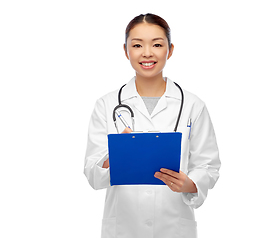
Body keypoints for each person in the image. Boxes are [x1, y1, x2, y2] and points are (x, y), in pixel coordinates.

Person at [84, 13, 221, 238]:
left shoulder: (193, 105)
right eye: (137, 45)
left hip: (174, 227)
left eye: (157, 44)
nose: (147, 53)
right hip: (124, 228)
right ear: (126, 50)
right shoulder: (107, 104)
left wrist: (191, 183)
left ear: (170, 49)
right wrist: (117, 155)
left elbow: (209, 165)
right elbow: (92, 173)